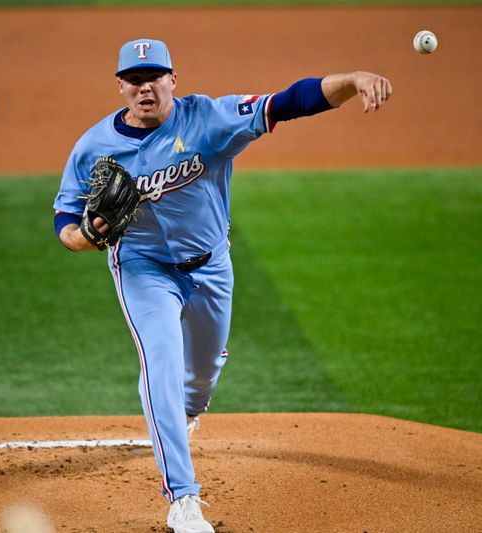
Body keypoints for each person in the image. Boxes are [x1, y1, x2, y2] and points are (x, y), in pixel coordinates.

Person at [53, 38, 391, 533]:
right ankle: (183, 500)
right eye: (134, 79)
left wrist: (353, 79)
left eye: (155, 76)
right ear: (121, 85)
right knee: (160, 366)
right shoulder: (93, 146)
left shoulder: (210, 119)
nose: (145, 87)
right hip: (144, 270)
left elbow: (291, 100)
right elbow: (65, 216)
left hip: (211, 267)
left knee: (203, 373)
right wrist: (82, 237)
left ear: (173, 79)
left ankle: (190, 409)